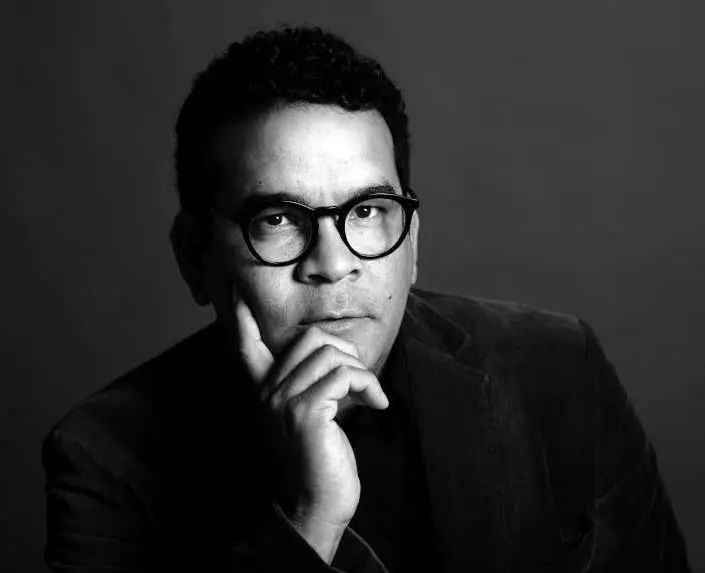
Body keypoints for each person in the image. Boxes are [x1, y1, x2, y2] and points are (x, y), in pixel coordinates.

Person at [42, 25, 691, 572]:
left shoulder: (560, 372)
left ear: (413, 244)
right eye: (277, 219)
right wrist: (307, 520)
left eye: (367, 210)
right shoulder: (106, 457)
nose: (333, 264)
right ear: (194, 257)